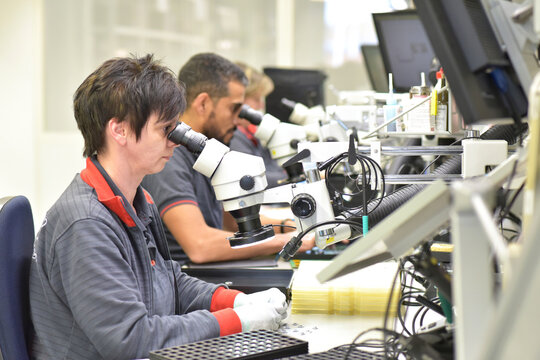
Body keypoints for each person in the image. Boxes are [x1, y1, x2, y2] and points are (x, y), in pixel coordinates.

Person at [29, 54, 288, 360]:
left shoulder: (136, 201)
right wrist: (235, 322)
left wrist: (234, 301)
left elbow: (170, 282)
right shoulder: (85, 224)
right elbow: (130, 340)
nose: (175, 142)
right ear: (120, 130)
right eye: (166, 129)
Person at [142, 53, 313, 264]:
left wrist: (300, 225)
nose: (239, 120)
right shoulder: (170, 158)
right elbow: (199, 245)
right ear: (203, 103)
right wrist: (286, 241)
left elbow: (234, 224)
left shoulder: (208, 153)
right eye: (234, 109)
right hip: (190, 280)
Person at [229, 62, 287, 188]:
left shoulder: (252, 133)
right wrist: (299, 177)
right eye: (256, 99)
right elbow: (256, 177)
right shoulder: (233, 136)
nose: (261, 106)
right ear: (239, 98)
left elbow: (273, 168)